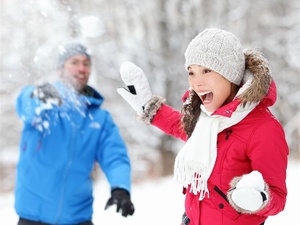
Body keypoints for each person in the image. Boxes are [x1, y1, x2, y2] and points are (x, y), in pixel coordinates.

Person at [117, 28, 289, 225]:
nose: (196, 82)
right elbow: (180, 125)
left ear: (230, 75)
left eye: (206, 70)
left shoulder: (264, 129)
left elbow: (278, 197)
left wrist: (259, 198)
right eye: (191, 72)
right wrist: (148, 106)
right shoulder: (205, 118)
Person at [15, 42, 135, 225]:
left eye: (86, 64)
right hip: (33, 216)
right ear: (60, 70)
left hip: (78, 217)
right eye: (74, 62)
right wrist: (38, 96)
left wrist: (120, 187)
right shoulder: (43, 104)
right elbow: (25, 104)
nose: (81, 68)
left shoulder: (99, 118)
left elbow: (115, 156)